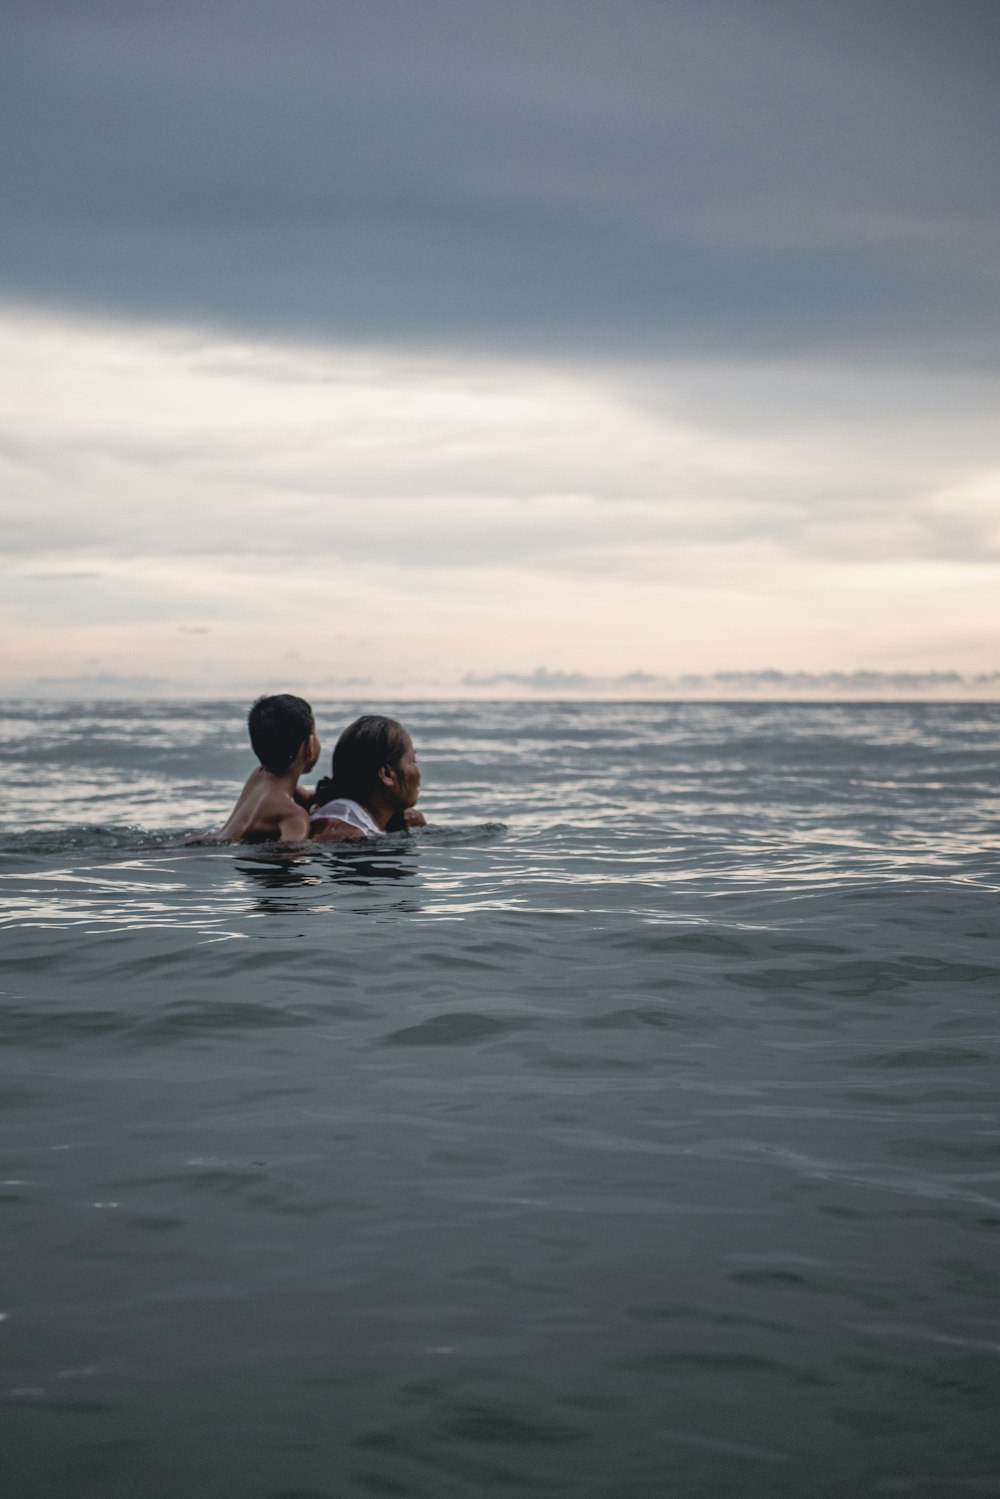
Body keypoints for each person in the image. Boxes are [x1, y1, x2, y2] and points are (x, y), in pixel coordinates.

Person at [215, 694, 320, 843]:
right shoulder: (293, 816)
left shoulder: (259, 776)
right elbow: (293, 852)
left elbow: (310, 798)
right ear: (309, 746)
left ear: (255, 747)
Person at [310, 714, 425, 842]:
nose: (418, 772)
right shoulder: (345, 833)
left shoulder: (348, 818)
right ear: (386, 774)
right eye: (413, 761)